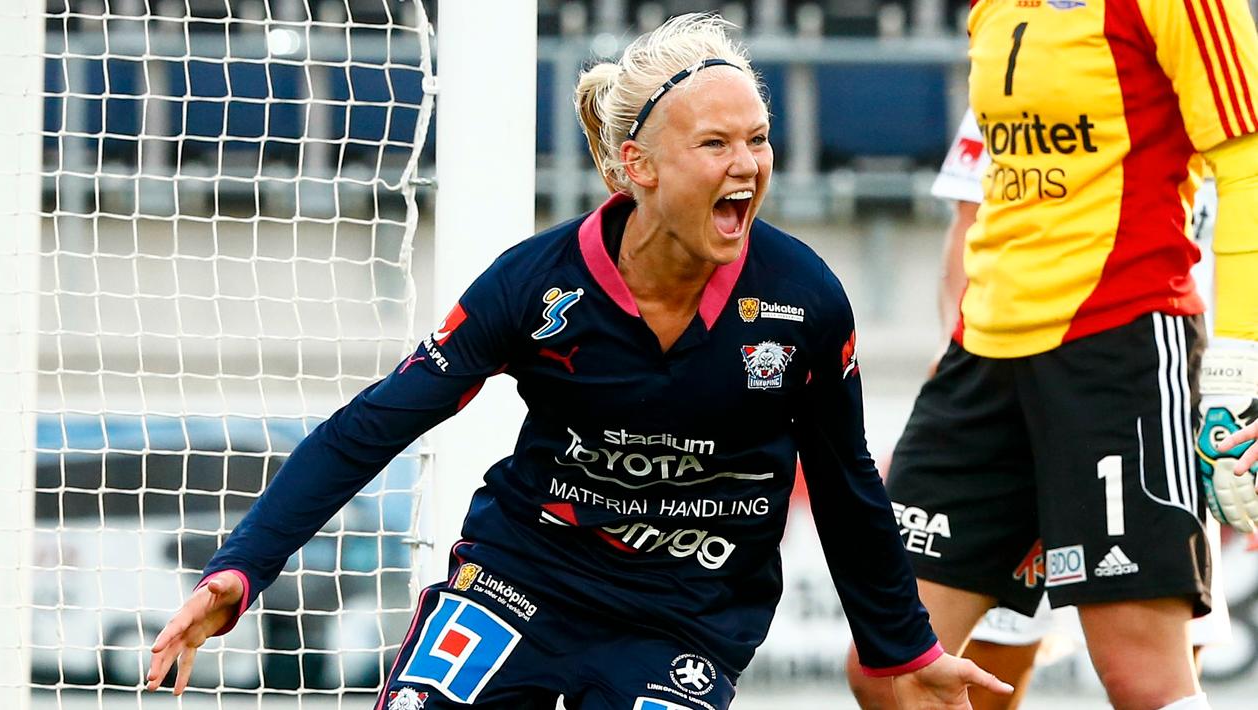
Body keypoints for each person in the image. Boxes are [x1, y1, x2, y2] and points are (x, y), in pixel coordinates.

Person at [144, 13, 1010, 710]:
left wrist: (905, 650)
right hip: (523, 579)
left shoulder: (804, 300)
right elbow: (369, 428)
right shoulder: (535, 286)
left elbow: (847, 483)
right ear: (638, 166)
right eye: (716, 144)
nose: (747, 164)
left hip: (687, 617)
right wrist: (241, 568)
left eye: (758, 138)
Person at [845, 1, 1258, 709]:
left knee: (1144, 679)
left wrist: (1238, 363)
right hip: (985, 353)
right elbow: (982, 202)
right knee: (890, 667)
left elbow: (1248, 159)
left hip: (1120, 347)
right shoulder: (993, 7)